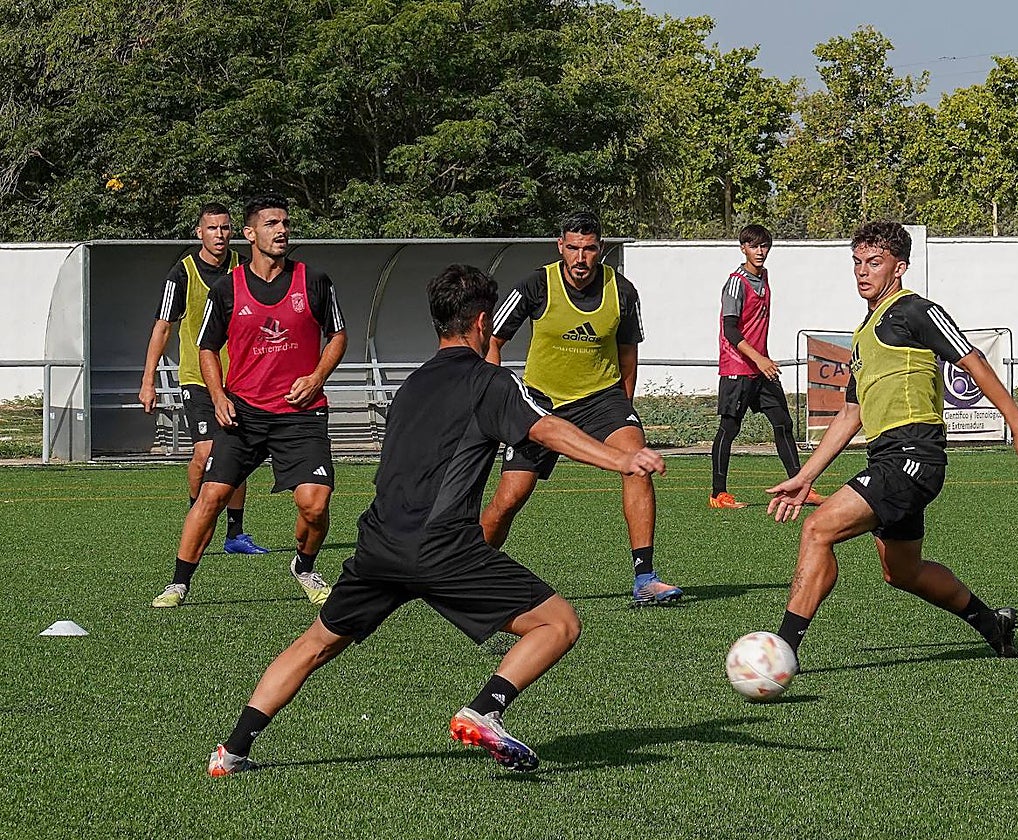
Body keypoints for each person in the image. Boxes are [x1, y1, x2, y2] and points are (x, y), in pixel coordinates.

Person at [206, 264, 666, 776]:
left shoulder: (409, 386)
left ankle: (231, 751)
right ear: (484, 322)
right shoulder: (490, 382)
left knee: (315, 644)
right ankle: (485, 710)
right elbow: (547, 428)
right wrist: (621, 458)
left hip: (378, 545)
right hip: (443, 546)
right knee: (558, 624)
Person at [766, 221, 1018, 661]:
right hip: (888, 457)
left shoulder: (914, 310)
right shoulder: (864, 334)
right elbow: (851, 414)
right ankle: (994, 624)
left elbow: (970, 358)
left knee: (818, 530)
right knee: (902, 571)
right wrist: (804, 476)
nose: (863, 272)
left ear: (899, 268)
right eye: (857, 263)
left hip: (913, 455)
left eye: (874, 263)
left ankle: (781, 650)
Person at [150, 194, 347, 608]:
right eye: (272, 223)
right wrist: (219, 396)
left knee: (315, 503)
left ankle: (305, 566)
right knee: (211, 494)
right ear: (251, 233)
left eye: (285, 223)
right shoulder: (226, 289)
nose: (282, 230)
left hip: (301, 414)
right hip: (245, 413)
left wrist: (316, 378)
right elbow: (206, 348)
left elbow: (338, 336)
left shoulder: (315, 280)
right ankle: (178, 583)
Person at [480, 211, 681, 606]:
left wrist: (625, 407)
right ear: (560, 247)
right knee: (508, 500)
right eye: (572, 248)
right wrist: (496, 400)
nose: (580, 258)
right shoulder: (535, 284)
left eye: (589, 249)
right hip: (540, 403)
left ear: (600, 249)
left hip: (601, 400)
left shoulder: (622, 291)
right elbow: (494, 340)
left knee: (636, 462)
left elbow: (628, 355)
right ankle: (466, 572)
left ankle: (645, 578)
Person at [138, 203, 267, 555]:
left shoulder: (246, 268)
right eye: (212, 229)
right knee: (206, 453)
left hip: (239, 380)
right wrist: (148, 380)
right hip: (197, 378)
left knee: (235, 455)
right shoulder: (182, 274)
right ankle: (198, 514)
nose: (220, 235)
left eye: (225, 228)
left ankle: (235, 534)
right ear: (199, 233)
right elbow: (162, 327)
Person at [709, 223, 825, 510]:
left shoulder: (765, 276)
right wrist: (758, 358)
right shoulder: (736, 282)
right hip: (738, 366)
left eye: (764, 246)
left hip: (761, 369)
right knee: (729, 428)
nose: (760, 252)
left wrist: (762, 361)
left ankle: (800, 486)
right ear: (743, 248)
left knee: (783, 423)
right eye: (754, 246)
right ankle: (718, 494)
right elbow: (731, 331)